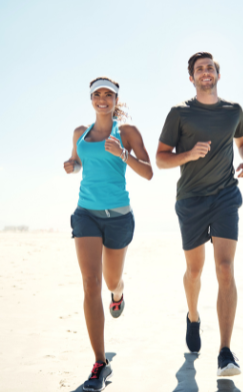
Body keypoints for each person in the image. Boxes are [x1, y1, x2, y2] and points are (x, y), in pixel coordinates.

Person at [156, 52, 243, 377]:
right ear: (192, 78)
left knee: (225, 269)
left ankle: (225, 351)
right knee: (195, 272)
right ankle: (194, 316)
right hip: (191, 200)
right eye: (199, 69)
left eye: (210, 67)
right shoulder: (179, 113)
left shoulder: (233, 111)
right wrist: (188, 154)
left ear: (217, 74)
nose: (205, 72)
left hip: (226, 195)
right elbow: (160, 159)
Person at [64, 77, 153, 391]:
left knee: (110, 281)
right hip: (85, 213)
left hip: (118, 218)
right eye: (97, 95)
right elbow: (77, 162)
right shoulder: (81, 133)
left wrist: (123, 155)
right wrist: (71, 166)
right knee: (90, 283)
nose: (102, 99)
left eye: (108, 94)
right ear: (91, 99)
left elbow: (149, 172)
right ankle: (100, 362)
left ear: (116, 99)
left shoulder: (126, 133)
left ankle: (118, 293)